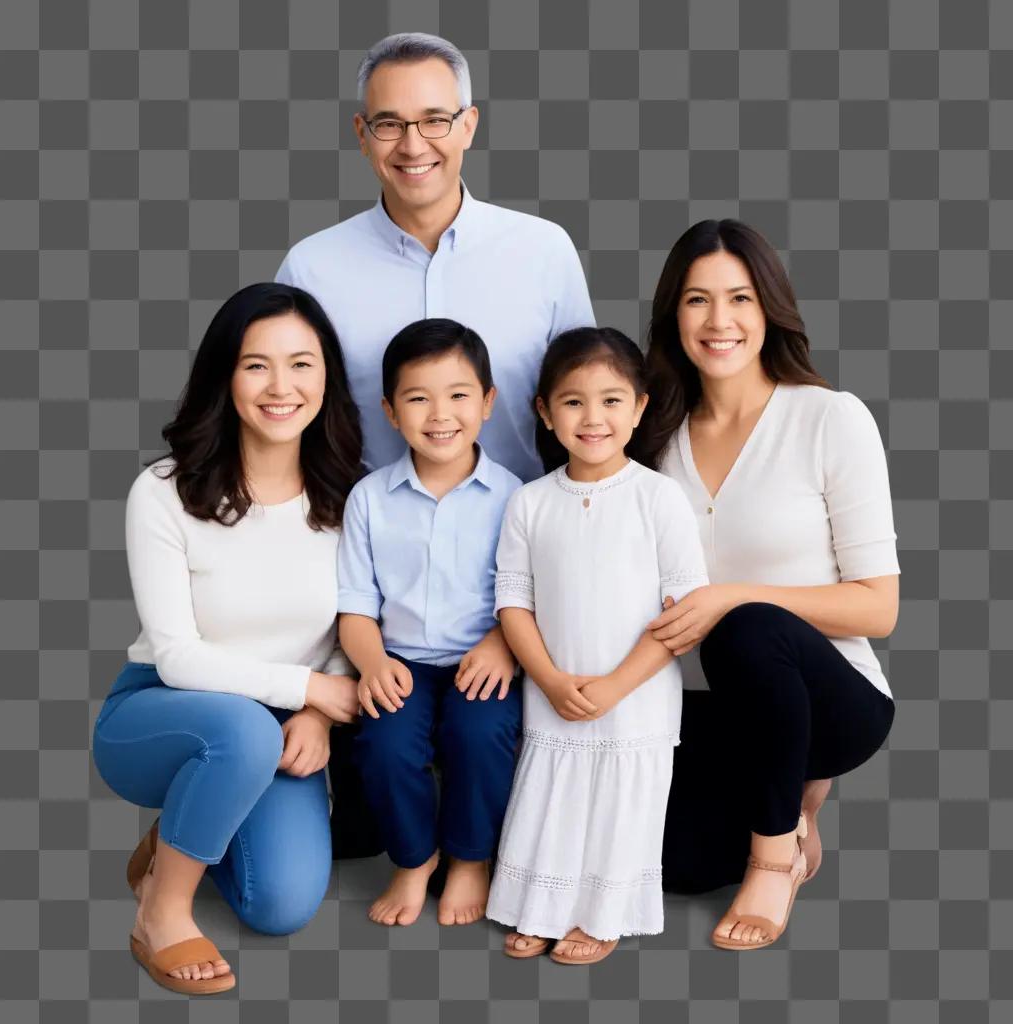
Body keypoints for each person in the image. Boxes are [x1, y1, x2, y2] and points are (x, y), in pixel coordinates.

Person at [91, 284, 363, 994]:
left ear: (327, 375)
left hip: (279, 725)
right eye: (256, 366)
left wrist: (316, 717)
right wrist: (311, 690)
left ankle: (181, 835)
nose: (282, 387)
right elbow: (178, 655)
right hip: (159, 714)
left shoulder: (351, 498)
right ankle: (162, 912)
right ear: (224, 376)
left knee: (280, 905)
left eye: (302, 364)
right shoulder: (164, 490)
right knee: (241, 733)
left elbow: (355, 630)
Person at [643, 219, 900, 950]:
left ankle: (776, 850)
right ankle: (794, 808)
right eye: (697, 300)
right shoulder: (649, 435)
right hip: (701, 707)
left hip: (830, 703)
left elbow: (878, 607)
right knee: (682, 868)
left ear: (770, 309)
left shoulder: (829, 419)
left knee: (747, 626)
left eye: (741, 298)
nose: (719, 322)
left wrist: (732, 595)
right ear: (673, 315)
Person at [275, 32, 595, 483]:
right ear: (362, 135)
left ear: (469, 125)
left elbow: (589, 403)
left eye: (435, 120)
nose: (412, 145)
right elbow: (277, 420)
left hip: (523, 539)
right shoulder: (310, 269)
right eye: (388, 123)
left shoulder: (544, 250)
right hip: (358, 539)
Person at [484, 328, 709, 965]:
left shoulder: (659, 498)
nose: (593, 418)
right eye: (574, 401)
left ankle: (604, 913)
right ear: (545, 412)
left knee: (621, 804)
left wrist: (615, 685)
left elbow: (682, 612)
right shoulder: (529, 503)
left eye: (612, 400)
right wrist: (551, 679)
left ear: (639, 408)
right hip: (553, 691)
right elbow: (514, 604)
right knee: (551, 798)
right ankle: (540, 906)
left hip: (634, 698)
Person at [336, 319, 523, 927]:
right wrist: (373, 663)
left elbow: (531, 593)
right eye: (418, 397)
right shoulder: (369, 498)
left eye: (459, 395)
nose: (440, 414)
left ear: (489, 402)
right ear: (390, 411)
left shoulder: (517, 497)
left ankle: (471, 857)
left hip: (487, 656)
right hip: (402, 659)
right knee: (385, 744)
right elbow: (357, 605)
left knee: (481, 735)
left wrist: (502, 644)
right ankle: (415, 858)